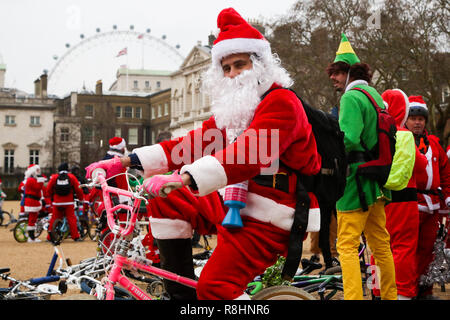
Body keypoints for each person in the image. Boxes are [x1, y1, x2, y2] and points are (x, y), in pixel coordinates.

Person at [86, 7, 321, 300]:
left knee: (215, 289)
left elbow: (250, 154)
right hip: (240, 200)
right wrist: (125, 161)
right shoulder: (240, 110)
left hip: (273, 214)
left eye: (240, 64)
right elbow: (195, 142)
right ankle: (181, 294)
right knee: (166, 199)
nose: (233, 74)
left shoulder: (282, 104)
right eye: (226, 68)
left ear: (259, 64)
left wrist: (184, 177)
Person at [325, 33, 397, 300]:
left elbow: (349, 139)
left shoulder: (351, 98)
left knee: (346, 246)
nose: (332, 78)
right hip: (377, 181)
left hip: (355, 183)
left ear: (349, 72)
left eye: (337, 72)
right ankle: (390, 297)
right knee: (381, 245)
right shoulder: (376, 96)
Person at [368, 89, 428, 300]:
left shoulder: (373, 133)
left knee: (378, 247)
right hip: (405, 200)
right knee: (403, 249)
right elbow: (421, 166)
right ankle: (401, 292)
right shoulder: (405, 135)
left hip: (378, 199)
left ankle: (376, 290)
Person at [404, 95, 450, 299]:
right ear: (406, 119)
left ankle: (425, 290)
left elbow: (446, 173)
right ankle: (408, 290)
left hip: (432, 206)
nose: (417, 122)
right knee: (408, 251)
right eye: (413, 118)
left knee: (428, 251)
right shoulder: (400, 140)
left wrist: (447, 198)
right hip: (409, 204)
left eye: (420, 119)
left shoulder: (434, 143)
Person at [45, 162, 85, 242]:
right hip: (68, 202)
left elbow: (48, 190)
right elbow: (78, 189)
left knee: (54, 219)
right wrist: (81, 198)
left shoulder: (54, 177)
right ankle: (75, 237)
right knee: (71, 219)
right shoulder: (71, 177)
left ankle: (50, 237)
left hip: (57, 202)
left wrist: (51, 198)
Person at [23, 164, 45, 242]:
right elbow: (38, 188)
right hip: (32, 201)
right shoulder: (31, 180)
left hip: (33, 201)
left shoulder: (30, 179)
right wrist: (41, 180)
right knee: (32, 220)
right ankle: (31, 237)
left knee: (32, 219)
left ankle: (31, 236)